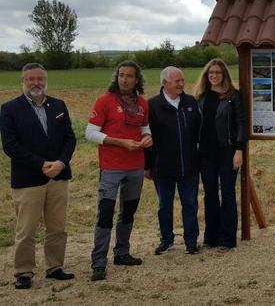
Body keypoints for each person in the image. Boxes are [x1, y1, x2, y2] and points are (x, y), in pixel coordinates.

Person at [0, 63, 76, 289]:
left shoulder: (58, 105)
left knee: (57, 227)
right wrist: (42, 164)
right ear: (23, 81)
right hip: (28, 179)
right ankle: (23, 272)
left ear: (46, 80)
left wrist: (61, 163)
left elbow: (70, 138)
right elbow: (10, 146)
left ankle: (55, 267)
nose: (36, 83)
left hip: (58, 176)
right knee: (26, 229)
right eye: (31, 79)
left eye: (40, 79)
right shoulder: (10, 108)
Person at [85, 60, 153, 281]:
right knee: (105, 214)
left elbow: (145, 127)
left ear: (137, 79)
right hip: (111, 167)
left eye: (130, 76)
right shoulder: (104, 101)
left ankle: (122, 253)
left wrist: (147, 137)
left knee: (128, 213)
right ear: (117, 77)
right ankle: (98, 262)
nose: (125, 79)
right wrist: (120, 142)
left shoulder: (142, 103)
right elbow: (90, 133)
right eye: (121, 75)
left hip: (135, 166)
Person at [145, 66, 201, 255]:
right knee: (164, 206)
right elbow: (146, 137)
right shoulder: (152, 106)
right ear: (165, 83)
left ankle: (191, 241)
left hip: (189, 166)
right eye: (177, 81)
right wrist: (147, 166)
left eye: (182, 80)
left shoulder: (191, 102)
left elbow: (199, 132)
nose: (181, 84)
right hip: (163, 168)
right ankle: (166, 240)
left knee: (190, 204)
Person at [193, 58, 246, 251]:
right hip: (206, 154)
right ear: (207, 76)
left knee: (228, 194)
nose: (214, 75)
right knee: (210, 195)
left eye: (218, 72)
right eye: (211, 73)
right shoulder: (200, 97)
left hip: (228, 152)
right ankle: (211, 237)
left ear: (224, 75)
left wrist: (239, 150)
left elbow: (241, 123)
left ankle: (227, 239)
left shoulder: (233, 96)